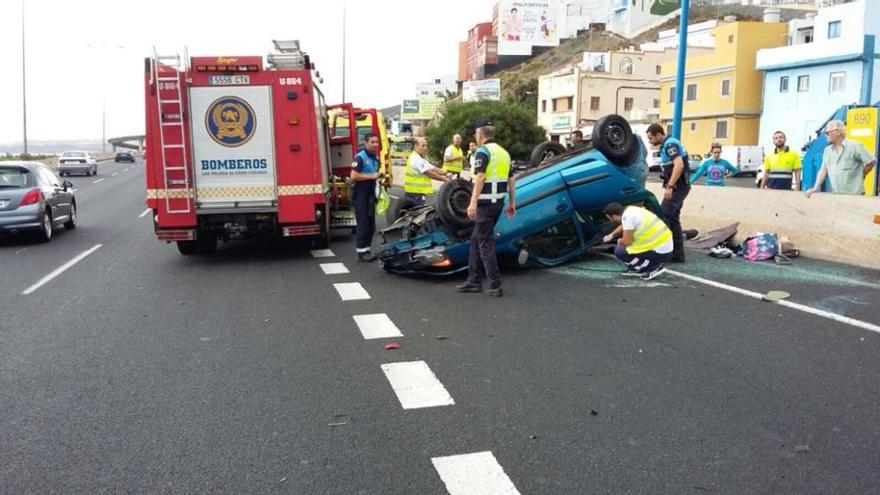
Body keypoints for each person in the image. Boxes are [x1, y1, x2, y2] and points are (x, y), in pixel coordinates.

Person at [456, 119, 516, 297]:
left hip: (484, 205)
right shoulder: (504, 153)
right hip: (498, 204)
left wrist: (472, 202)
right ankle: (473, 280)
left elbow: (480, 177)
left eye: (476, 134)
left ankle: (495, 284)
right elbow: (511, 179)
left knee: (485, 243)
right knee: (476, 240)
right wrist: (512, 203)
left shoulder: (483, 151)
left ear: (480, 134)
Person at [646, 123, 689, 263]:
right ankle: (677, 255)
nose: (650, 142)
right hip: (679, 187)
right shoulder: (668, 145)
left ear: (658, 134)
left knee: (663, 218)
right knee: (674, 220)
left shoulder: (670, 144)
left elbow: (679, 165)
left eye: (651, 138)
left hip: (678, 188)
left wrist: (670, 186)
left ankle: (659, 254)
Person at [602, 202, 672, 281]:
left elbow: (627, 242)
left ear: (614, 216)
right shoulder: (630, 210)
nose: (611, 221)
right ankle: (639, 268)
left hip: (660, 250)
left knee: (620, 251)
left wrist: (618, 241)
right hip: (663, 244)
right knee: (625, 248)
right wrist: (612, 235)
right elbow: (624, 226)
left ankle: (653, 268)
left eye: (610, 219)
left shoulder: (627, 218)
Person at [806, 120, 877, 197]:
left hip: (855, 196)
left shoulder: (855, 146)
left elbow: (872, 161)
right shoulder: (827, 151)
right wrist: (815, 188)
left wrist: (862, 174)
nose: (826, 135)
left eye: (827, 133)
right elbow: (823, 170)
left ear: (838, 132)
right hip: (837, 195)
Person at [351, 133, 381, 261]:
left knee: (371, 224)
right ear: (366, 143)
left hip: (370, 193)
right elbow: (354, 176)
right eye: (372, 142)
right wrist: (372, 177)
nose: (375, 144)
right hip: (361, 193)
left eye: (376, 142)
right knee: (363, 223)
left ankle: (367, 249)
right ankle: (361, 252)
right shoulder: (360, 157)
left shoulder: (376, 158)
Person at [405, 137, 450, 206]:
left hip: (416, 192)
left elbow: (432, 168)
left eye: (426, 146)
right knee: (417, 214)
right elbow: (430, 173)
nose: (425, 148)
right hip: (415, 193)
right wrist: (444, 179)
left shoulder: (420, 158)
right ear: (416, 146)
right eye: (423, 145)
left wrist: (445, 173)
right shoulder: (416, 159)